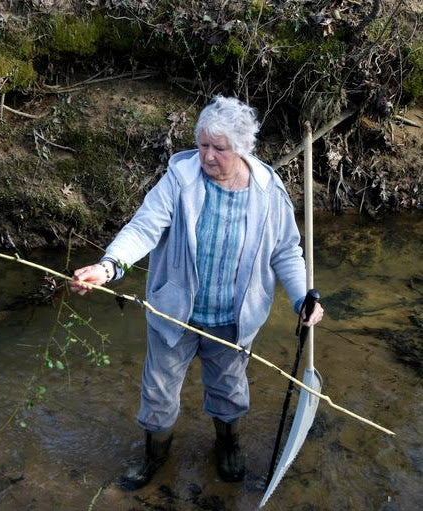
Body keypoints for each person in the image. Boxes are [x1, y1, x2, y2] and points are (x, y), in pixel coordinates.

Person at [69, 95, 324, 489]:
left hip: (232, 322)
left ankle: (227, 447)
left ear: (240, 149)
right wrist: (109, 266)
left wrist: (301, 298)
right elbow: (143, 229)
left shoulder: (268, 193)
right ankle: (155, 458)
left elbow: (286, 252)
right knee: (158, 395)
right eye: (203, 144)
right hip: (175, 315)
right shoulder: (179, 180)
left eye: (218, 148)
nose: (207, 155)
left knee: (229, 392)